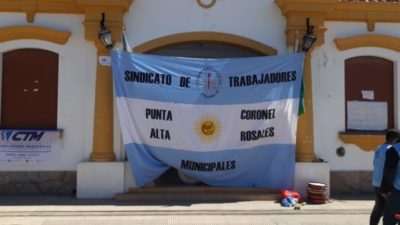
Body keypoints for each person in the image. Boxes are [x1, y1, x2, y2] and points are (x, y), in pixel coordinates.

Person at [370, 129, 399, 225]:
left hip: (376, 182)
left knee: (378, 208)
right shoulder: (392, 149)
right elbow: (389, 168)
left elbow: (374, 163)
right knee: (390, 211)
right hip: (385, 183)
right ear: (396, 139)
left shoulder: (379, 148)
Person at [382, 138, 400, 225]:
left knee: (390, 220)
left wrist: (385, 190)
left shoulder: (394, 149)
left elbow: (388, 171)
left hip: (397, 190)